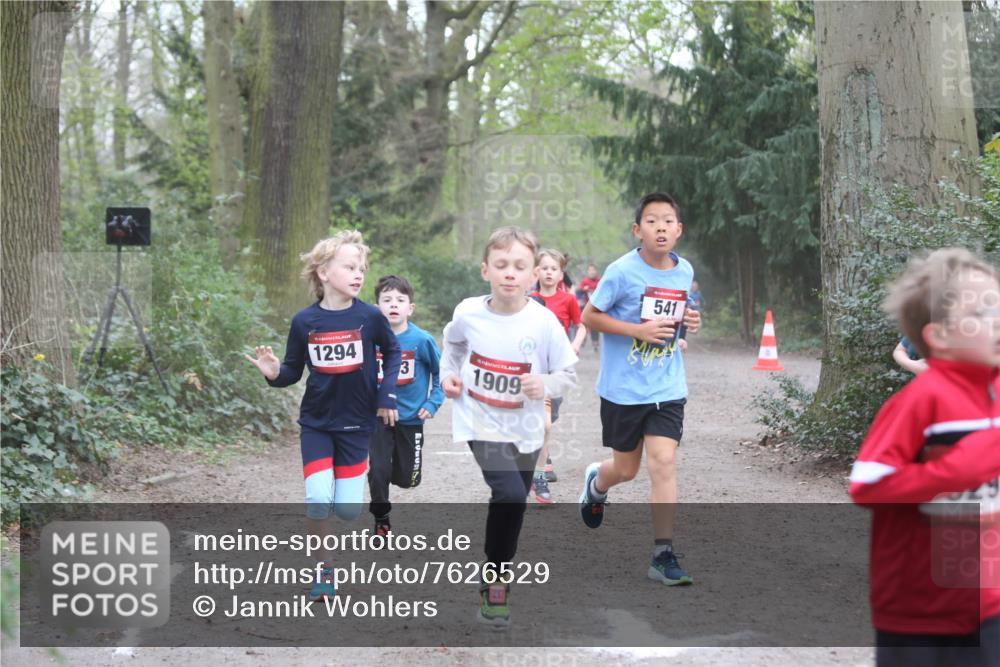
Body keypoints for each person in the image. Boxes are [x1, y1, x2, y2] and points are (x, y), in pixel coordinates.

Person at [849, 248, 1000, 667]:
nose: (998, 318)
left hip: (987, 604)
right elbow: (867, 486)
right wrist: (951, 473)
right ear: (940, 336)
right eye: (984, 311)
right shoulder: (920, 401)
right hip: (915, 612)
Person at [246, 230, 401, 601]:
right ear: (323, 272)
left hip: (356, 425)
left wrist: (386, 395)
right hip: (316, 424)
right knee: (317, 498)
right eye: (349, 266)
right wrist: (273, 374)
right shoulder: (304, 322)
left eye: (361, 268)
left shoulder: (371, 317)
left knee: (347, 510)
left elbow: (392, 353)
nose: (358, 274)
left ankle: (344, 508)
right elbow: (291, 373)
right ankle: (324, 569)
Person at [440, 226, 578, 628]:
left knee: (514, 501)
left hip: (526, 426)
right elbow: (453, 346)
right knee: (510, 491)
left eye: (520, 266)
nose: (510, 273)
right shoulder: (468, 312)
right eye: (501, 265)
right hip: (479, 419)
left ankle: (495, 568)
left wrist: (546, 384)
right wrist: (449, 376)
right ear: (486, 270)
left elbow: (568, 374)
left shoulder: (545, 322)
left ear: (534, 274)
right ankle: (497, 582)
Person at [578, 192, 702, 586]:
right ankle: (597, 483)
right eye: (652, 221)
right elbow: (589, 316)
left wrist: (689, 322)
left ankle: (662, 553)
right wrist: (636, 331)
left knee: (663, 462)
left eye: (668, 220)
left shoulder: (684, 271)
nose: (661, 227)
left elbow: (674, 314)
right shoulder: (620, 272)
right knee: (626, 470)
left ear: (678, 230)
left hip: (667, 385)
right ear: (638, 230)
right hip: (623, 390)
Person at [369, 275, 445, 537]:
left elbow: (442, 373)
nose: (394, 304)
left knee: (407, 479)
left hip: (411, 419)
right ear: (377, 307)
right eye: (387, 300)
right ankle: (381, 519)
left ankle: (393, 473)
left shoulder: (421, 340)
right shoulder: (369, 339)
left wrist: (433, 402)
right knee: (378, 470)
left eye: (400, 300)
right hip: (378, 418)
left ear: (410, 308)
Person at [529, 248, 588, 502]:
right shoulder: (529, 298)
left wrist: (575, 344)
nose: (549, 273)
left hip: (560, 366)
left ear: (561, 273)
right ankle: (540, 471)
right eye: (544, 268)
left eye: (554, 269)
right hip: (536, 366)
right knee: (543, 421)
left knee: (551, 415)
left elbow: (582, 325)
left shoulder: (568, 300)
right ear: (536, 272)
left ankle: (543, 455)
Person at [576, 263, 602, 353]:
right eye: (590, 270)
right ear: (588, 272)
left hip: (596, 307)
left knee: (594, 325)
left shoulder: (600, 281)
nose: (592, 272)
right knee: (583, 323)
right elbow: (578, 290)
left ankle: (595, 343)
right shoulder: (585, 281)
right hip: (585, 305)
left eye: (593, 270)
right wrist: (584, 289)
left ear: (596, 271)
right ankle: (582, 339)